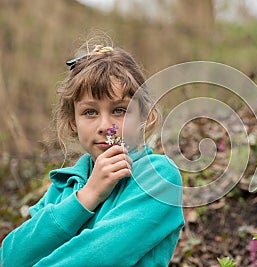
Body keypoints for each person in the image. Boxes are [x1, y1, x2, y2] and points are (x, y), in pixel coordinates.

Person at [0, 44, 185, 266]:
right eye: (90, 112)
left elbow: (100, 257)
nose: (106, 126)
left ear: (145, 116)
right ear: (72, 122)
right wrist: (87, 196)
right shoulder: (63, 187)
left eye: (119, 110)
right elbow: (10, 257)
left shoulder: (157, 177)